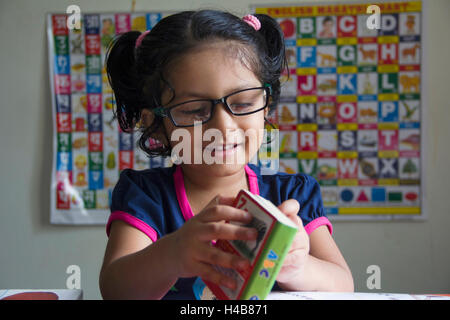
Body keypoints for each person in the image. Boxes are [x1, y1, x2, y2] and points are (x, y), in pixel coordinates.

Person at [99, 10, 353, 300]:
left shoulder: (292, 194)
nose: (222, 125)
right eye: (194, 110)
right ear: (154, 125)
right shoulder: (146, 196)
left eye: (243, 103)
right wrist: (173, 253)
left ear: (267, 105)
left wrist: (297, 268)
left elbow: (343, 284)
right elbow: (115, 290)